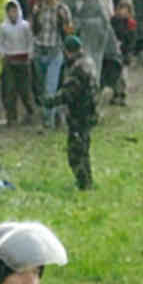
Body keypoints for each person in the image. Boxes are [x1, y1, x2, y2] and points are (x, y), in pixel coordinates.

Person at [49, 36, 99, 191]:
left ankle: (84, 184)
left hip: (80, 114)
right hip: (89, 112)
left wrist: (50, 102)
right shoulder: (88, 62)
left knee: (75, 153)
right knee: (84, 149)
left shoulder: (78, 68)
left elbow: (70, 93)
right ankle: (87, 182)